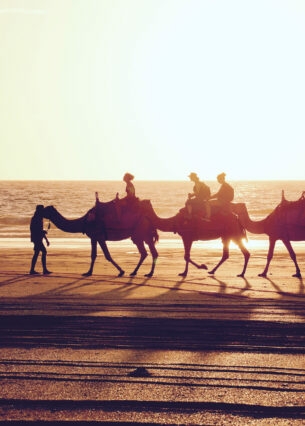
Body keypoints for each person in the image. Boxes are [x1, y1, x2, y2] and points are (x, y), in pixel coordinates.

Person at [29, 205, 52, 275]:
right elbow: (35, 230)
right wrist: (43, 233)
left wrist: (46, 239)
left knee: (37, 253)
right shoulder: (36, 219)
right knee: (43, 252)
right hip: (37, 239)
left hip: (37, 238)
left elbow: (40, 230)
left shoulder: (38, 218)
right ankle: (43, 270)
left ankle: (33, 270)